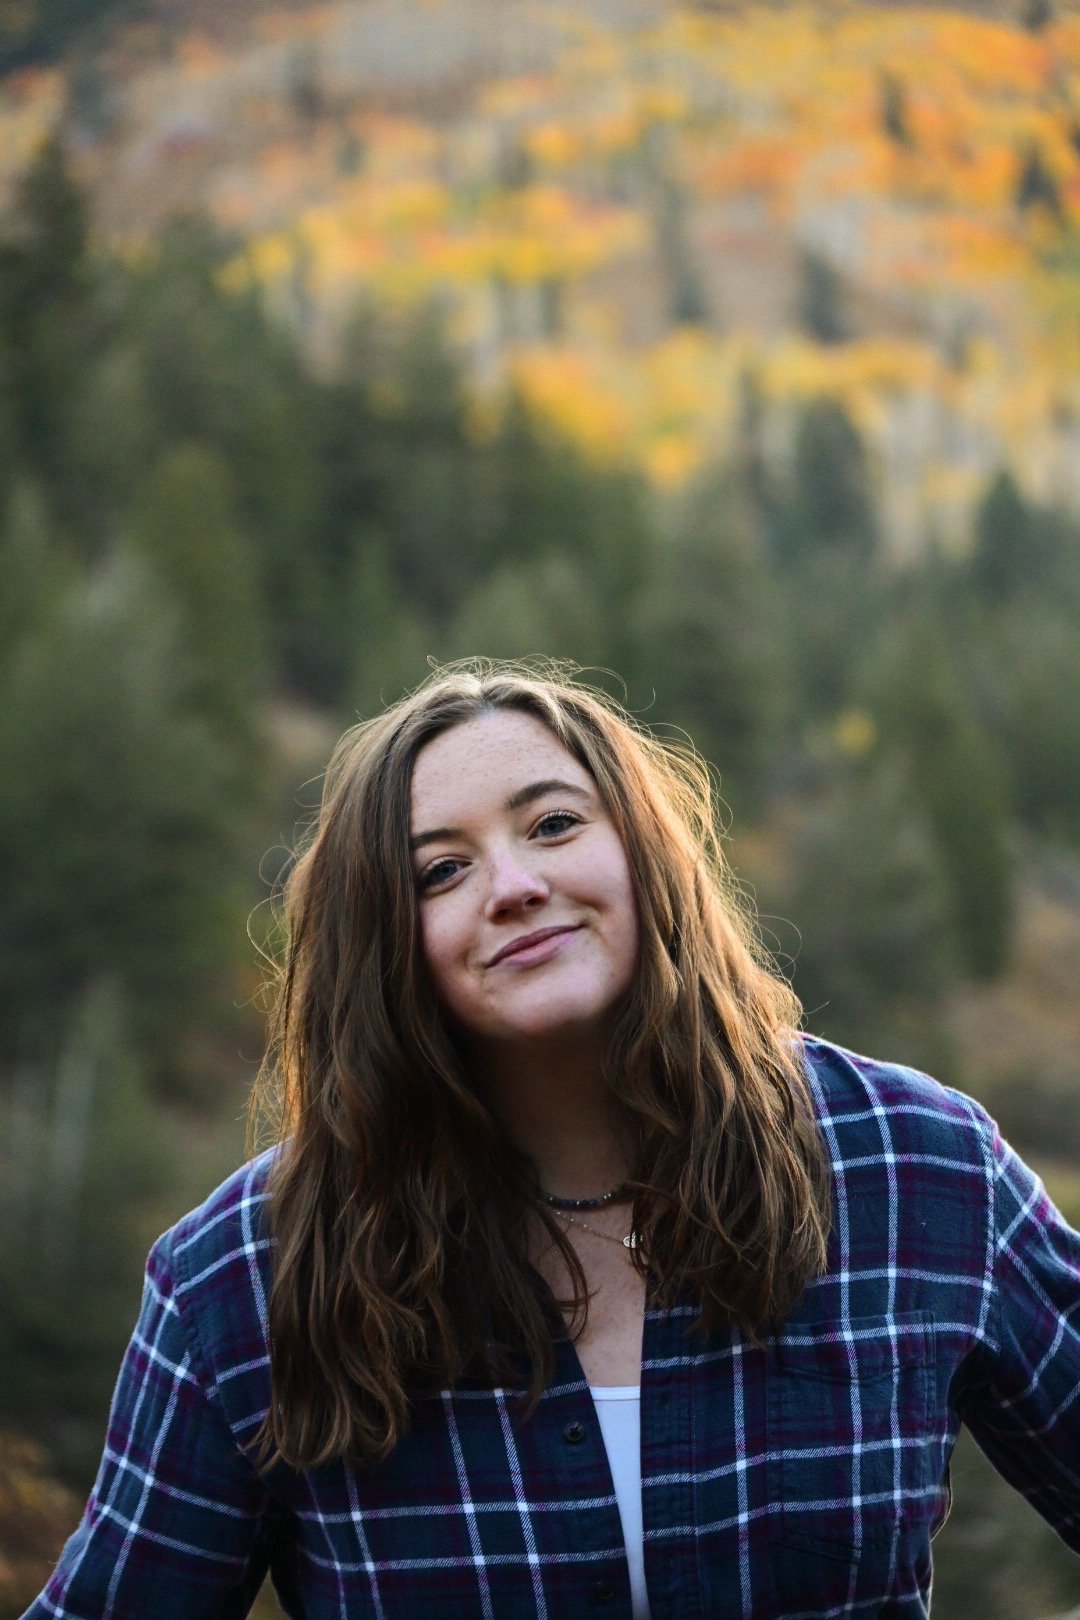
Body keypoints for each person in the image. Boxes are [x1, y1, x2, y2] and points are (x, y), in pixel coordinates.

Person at [22, 661, 1080, 1620]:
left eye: (555, 824)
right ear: (385, 948)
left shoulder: (919, 1168)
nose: (514, 884)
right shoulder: (244, 1280)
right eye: (440, 872)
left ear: (643, 853)